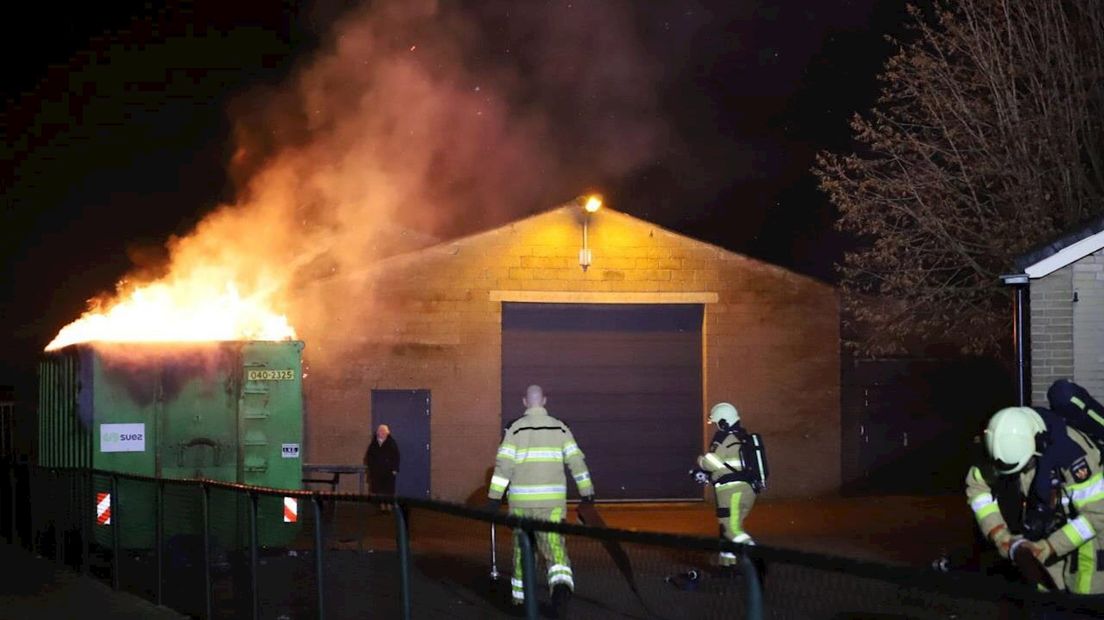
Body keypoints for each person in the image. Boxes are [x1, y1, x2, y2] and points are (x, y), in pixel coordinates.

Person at [965, 406, 1104, 597]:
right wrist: (999, 534)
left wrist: (1051, 546)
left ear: (1037, 447)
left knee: (1084, 591)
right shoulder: (1001, 446)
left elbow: (1097, 514)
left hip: (1091, 530)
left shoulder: (1072, 455)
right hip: (1045, 523)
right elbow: (978, 488)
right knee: (1044, 589)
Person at [486, 384, 594, 616]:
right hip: (552, 504)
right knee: (554, 547)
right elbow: (577, 462)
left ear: (525, 402)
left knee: (522, 550)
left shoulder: (514, 430)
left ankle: (521, 601)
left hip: (522, 505)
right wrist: (587, 493)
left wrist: (494, 499)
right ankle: (561, 588)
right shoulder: (560, 428)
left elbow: (503, 467)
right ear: (544, 401)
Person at [694, 402, 762, 567]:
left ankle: (758, 557)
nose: (716, 425)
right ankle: (727, 563)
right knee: (730, 527)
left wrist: (700, 461)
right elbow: (728, 467)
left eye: (717, 421)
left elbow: (712, 463)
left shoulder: (724, 438)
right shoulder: (742, 437)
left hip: (731, 491)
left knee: (731, 529)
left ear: (723, 421)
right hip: (747, 490)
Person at [364, 424, 400, 513]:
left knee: (389, 489)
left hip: (389, 471)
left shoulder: (392, 443)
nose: (382, 433)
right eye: (380, 431)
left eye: (384, 432)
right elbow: (369, 457)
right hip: (377, 472)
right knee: (378, 489)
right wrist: (371, 468)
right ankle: (381, 506)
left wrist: (395, 469)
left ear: (388, 433)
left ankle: (389, 505)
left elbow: (396, 457)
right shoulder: (373, 444)